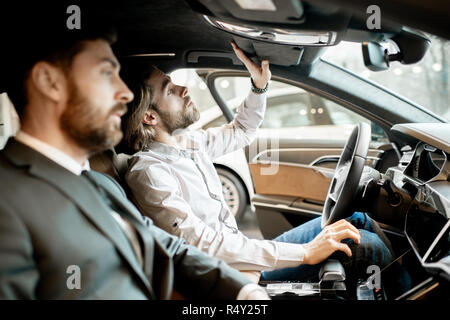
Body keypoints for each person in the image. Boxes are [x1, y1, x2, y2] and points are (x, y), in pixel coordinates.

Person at [0, 6, 269, 300]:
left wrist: (244, 292)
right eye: (105, 73)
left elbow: (168, 249)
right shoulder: (7, 198)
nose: (126, 94)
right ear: (49, 82)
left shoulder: (98, 183)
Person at [122, 41, 394, 288]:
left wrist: (259, 86)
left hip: (244, 254)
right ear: (149, 116)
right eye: (170, 90)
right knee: (365, 246)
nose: (184, 89)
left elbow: (241, 129)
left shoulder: (190, 143)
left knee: (358, 220)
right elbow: (201, 243)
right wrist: (306, 252)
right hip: (230, 272)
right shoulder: (148, 173)